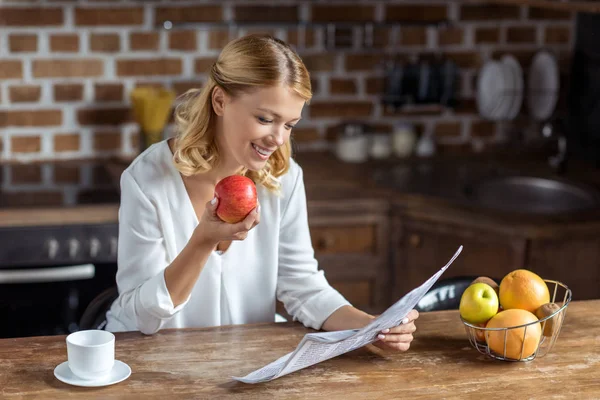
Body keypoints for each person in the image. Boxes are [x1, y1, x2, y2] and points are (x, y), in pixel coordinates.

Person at [105, 34, 418, 352]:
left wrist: (370, 327)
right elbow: (140, 316)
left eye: (290, 125)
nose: (278, 139)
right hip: (149, 360)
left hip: (239, 364)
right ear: (220, 101)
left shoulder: (285, 178)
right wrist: (202, 241)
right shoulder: (148, 179)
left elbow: (304, 287)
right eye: (266, 119)